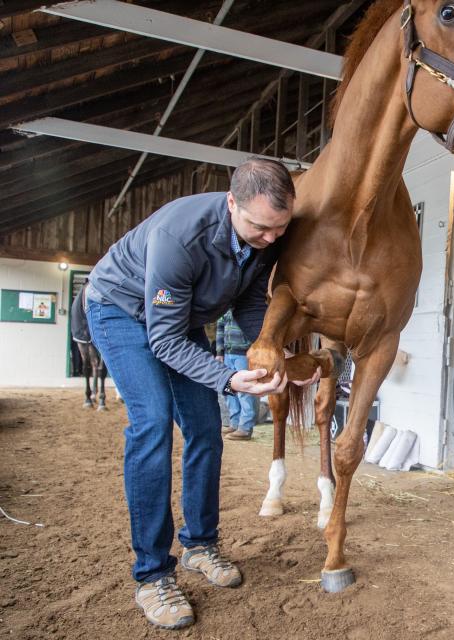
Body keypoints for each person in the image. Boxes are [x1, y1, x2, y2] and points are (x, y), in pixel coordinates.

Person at [85, 158, 321, 631]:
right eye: (260, 227)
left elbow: (251, 302)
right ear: (231, 203)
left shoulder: (266, 235)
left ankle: (200, 544)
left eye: (280, 228)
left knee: (206, 430)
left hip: (182, 322)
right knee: (152, 424)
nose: (272, 239)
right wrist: (228, 378)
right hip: (120, 311)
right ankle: (152, 574)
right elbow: (163, 341)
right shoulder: (180, 237)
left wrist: (277, 355)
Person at [216, 310, 259, 440]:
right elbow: (220, 329)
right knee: (229, 388)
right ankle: (234, 424)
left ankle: (245, 428)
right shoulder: (225, 308)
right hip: (228, 353)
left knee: (244, 391)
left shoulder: (247, 306)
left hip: (244, 354)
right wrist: (219, 352)